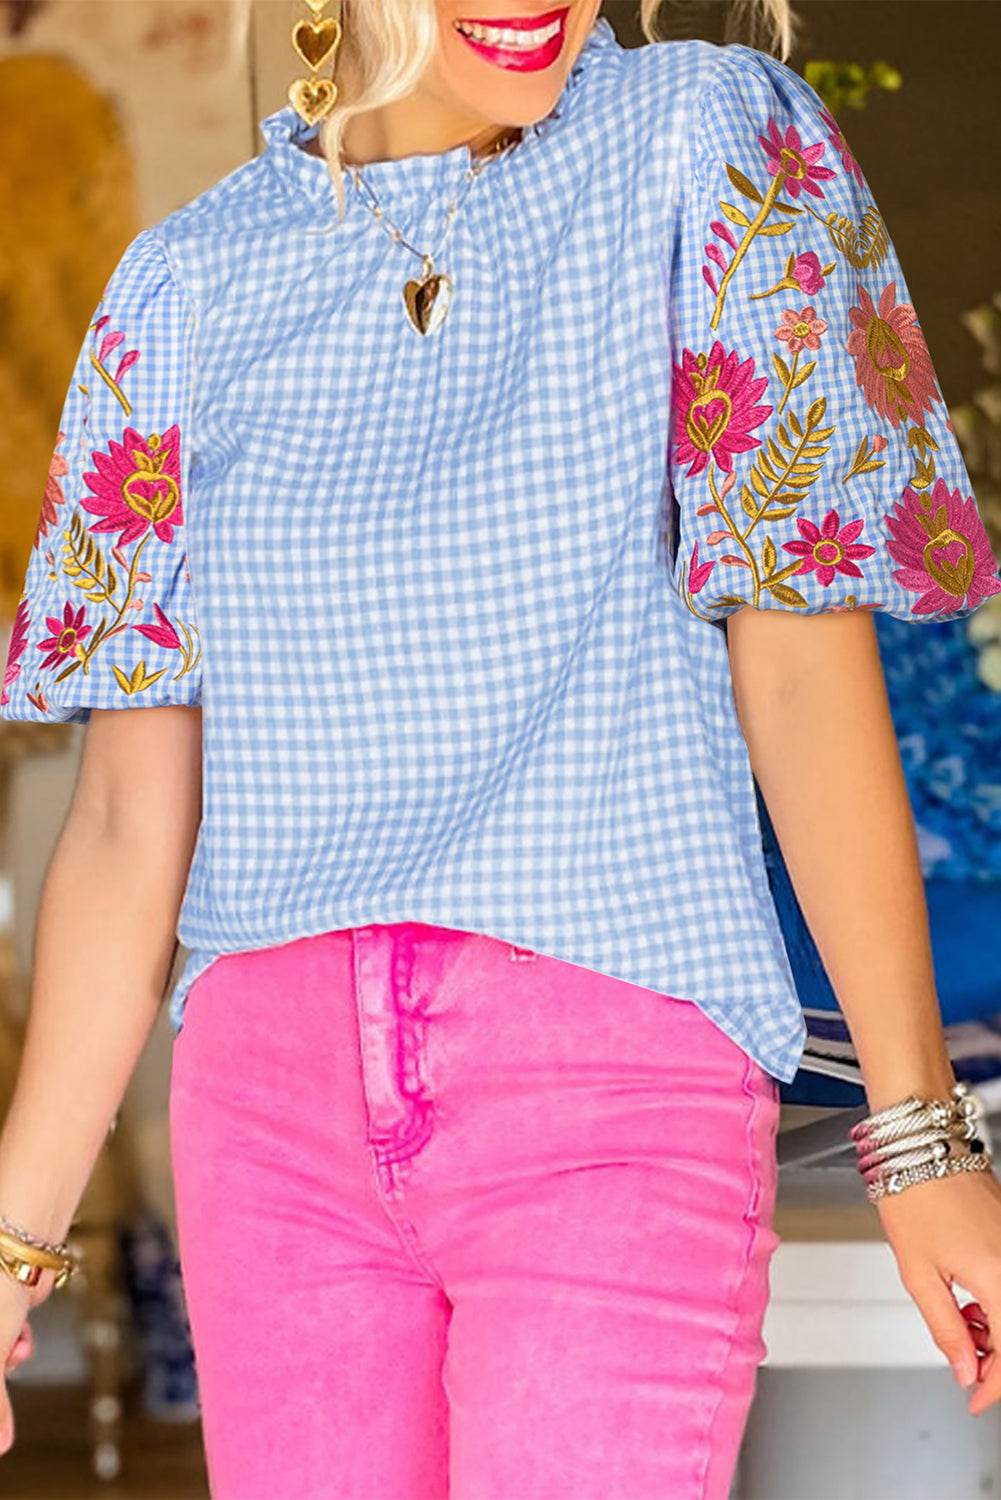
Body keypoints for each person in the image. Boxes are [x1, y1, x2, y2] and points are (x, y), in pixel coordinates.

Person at [2, 1, 1001, 1495]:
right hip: (267, 1121)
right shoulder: (187, 283)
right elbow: (131, 820)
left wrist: (919, 1142)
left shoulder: (698, 142)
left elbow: (799, 665)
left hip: (611, 1091)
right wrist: (12, 1249)